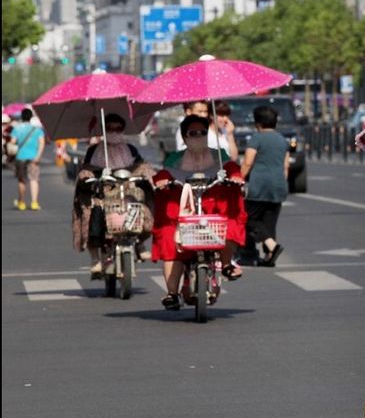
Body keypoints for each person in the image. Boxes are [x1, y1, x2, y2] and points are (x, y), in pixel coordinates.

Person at [152, 115, 247, 310]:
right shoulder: (174, 158)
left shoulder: (219, 155)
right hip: (184, 210)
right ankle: (172, 293)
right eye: (193, 133)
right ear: (185, 138)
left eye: (203, 133)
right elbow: (163, 174)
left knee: (227, 224)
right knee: (170, 237)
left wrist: (235, 176)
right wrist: (162, 180)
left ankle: (227, 264)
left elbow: (231, 168)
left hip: (212, 208)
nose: (198, 136)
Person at [72, 113, 155, 277]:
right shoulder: (94, 150)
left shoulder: (130, 149)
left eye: (118, 128)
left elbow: (142, 166)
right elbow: (85, 170)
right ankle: (95, 257)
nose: (114, 132)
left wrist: (148, 177)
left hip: (127, 190)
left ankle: (139, 243)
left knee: (143, 207)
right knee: (91, 212)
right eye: (110, 128)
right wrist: (92, 175)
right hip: (102, 192)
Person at [240, 106, 289, 267]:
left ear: (257, 123)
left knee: (249, 218)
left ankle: (272, 246)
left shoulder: (257, 138)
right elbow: (286, 166)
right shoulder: (283, 140)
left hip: (260, 184)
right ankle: (269, 257)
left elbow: (248, 162)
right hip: (279, 184)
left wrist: (239, 179)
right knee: (270, 222)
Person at [10, 108, 45, 211]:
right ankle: (34, 202)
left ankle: (21, 203)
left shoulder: (17, 128)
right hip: (33, 158)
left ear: (21, 117)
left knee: (22, 180)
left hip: (20, 157)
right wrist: (38, 156)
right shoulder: (37, 130)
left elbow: (13, 142)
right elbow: (41, 143)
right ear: (31, 117)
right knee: (34, 179)